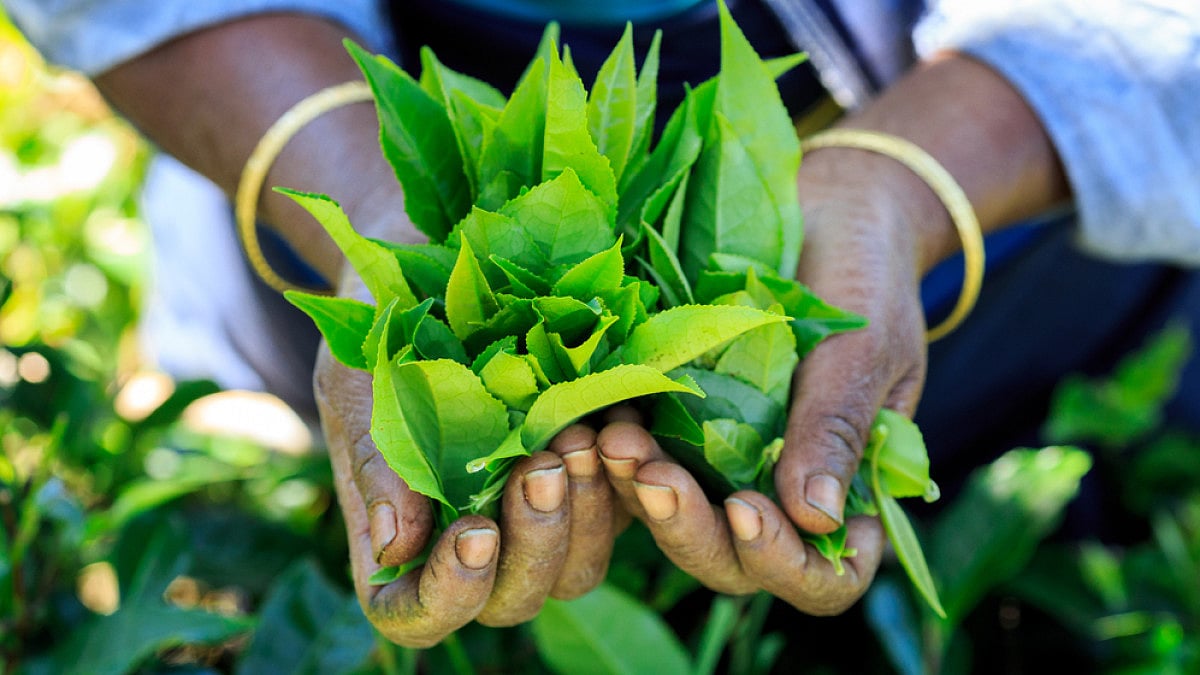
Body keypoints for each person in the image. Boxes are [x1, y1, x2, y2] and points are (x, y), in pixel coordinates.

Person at [7, 0, 1199, 648]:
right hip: (336, 103)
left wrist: (892, 182)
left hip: (993, 168)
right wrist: (374, 220)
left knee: (1048, 455)